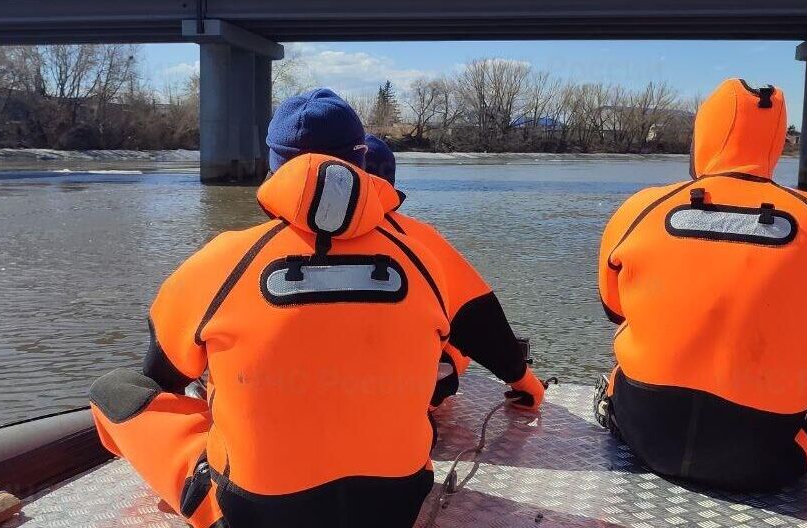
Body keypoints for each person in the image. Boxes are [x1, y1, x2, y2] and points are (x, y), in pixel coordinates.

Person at [89, 89, 545, 528]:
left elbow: (161, 379)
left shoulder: (220, 260)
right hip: (395, 507)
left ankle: (201, 495)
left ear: (273, 169)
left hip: (253, 516)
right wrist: (528, 386)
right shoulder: (426, 253)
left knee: (118, 388)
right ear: (363, 160)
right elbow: (491, 336)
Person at [594, 78, 807, 491]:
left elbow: (614, 307)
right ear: (777, 140)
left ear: (703, 136)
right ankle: (804, 451)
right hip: (762, 457)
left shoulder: (640, 207)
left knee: (631, 342)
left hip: (645, 435)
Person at [363, 135, 545, 409]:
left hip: (300, 391)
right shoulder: (419, 237)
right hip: (401, 403)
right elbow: (482, 322)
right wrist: (527, 385)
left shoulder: (276, 237)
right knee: (458, 342)